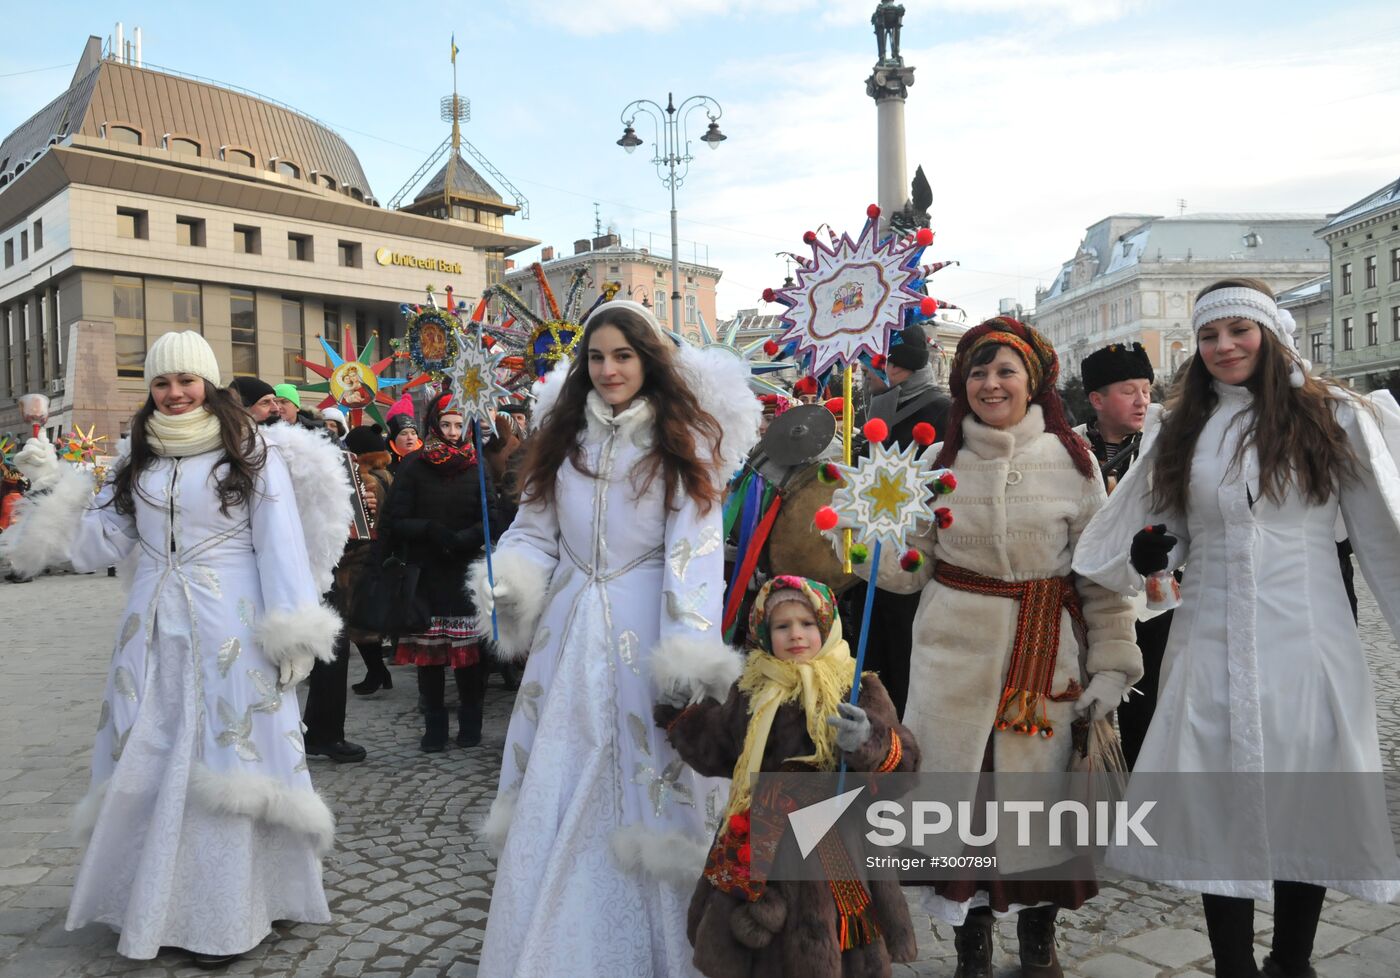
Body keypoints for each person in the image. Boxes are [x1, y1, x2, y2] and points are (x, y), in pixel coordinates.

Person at [1074, 278, 1400, 978]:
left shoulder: (1334, 416)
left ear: (1269, 334)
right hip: (1211, 634)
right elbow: (1173, 525)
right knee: (1216, 791)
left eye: (1237, 331)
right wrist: (1156, 548)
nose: (1223, 347)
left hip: (1308, 632)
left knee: (1305, 788)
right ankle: (1232, 967)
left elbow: (1381, 532)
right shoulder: (1182, 425)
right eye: (1208, 336)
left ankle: (1292, 961)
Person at [0, 331, 347, 968]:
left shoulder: (250, 452)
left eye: (186, 380)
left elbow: (280, 543)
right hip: (154, 628)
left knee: (227, 758)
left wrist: (293, 627)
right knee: (152, 750)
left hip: (232, 625)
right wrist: (55, 487)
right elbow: (101, 542)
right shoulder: (137, 456)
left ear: (209, 384)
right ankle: (150, 900)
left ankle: (230, 911)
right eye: (161, 382)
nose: (174, 393)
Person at [469, 299, 761, 978]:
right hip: (568, 636)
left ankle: (665, 949)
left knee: (648, 771)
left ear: (648, 360)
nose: (608, 369)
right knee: (561, 772)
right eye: (596, 357)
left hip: (644, 624)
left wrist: (686, 651)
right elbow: (534, 532)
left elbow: (694, 556)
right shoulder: (562, 439)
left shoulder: (684, 441)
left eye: (623, 356)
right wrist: (509, 581)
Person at [843, 317, 1140, 978]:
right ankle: (971, 951)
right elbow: (909, 566)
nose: (990, 383)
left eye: (1004, 370)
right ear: (961, 382)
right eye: (977, 371)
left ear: (1032, 379)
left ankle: (1040, 948)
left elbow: (1101, 573)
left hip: (1048, 661)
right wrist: (860, 537)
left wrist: (1113, 664)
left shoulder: (1073, 458)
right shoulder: (939, 463)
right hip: (955, 663)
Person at [655, 575, 920, 978]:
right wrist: (682, 717)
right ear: (764, 633)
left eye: (807, 624)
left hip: (837, 840)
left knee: (838, 939)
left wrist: (868, 739)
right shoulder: (751, 690)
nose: (796, 635)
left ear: (827, 628)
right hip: (763, 837)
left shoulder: (858, 688)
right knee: (764, 947)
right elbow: (720, 749)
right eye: (782, 626)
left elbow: (905, 766)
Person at [378, 392, 496, 752]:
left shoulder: (478, 465)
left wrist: (468, 537)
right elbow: (394, 520)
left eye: (459, 425)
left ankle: (471, 722)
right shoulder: (414, 465)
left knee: (469, 660)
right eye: (445, 424)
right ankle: (434, 726)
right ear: (433, 424)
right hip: (426, 572)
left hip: (463, 571)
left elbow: (494, 516)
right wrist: (429, 529)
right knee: (429, 661)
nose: (452, 432)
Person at [845, 320, 952, 717]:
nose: (865, 376)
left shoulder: (940, 410)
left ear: (894, 367)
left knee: (904, 663)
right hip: (876, 549)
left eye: (873, 366)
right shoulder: (882, 408)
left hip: (912, 553)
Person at [1074, 341, 1168, 769]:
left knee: (1151, 707)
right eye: (1129, 390)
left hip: (1152, 602)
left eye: (1146, 390)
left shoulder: (1165, 448)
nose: (1142, 400)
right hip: (1089, 600)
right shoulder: (1070, 450)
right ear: (1097, 399)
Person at [343, 424, 396, 695]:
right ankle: (379, 672)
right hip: (380, 551)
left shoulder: (366, 480)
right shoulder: (386, 473)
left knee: (360, 617)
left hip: (363, 552)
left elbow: (366, 521)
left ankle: (376, 672)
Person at [385, 395, 421, 471]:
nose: (410, 437)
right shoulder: (383, 462)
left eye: (413, 433)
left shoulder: (428, 458)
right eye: (404, 433)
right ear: (394, 437)